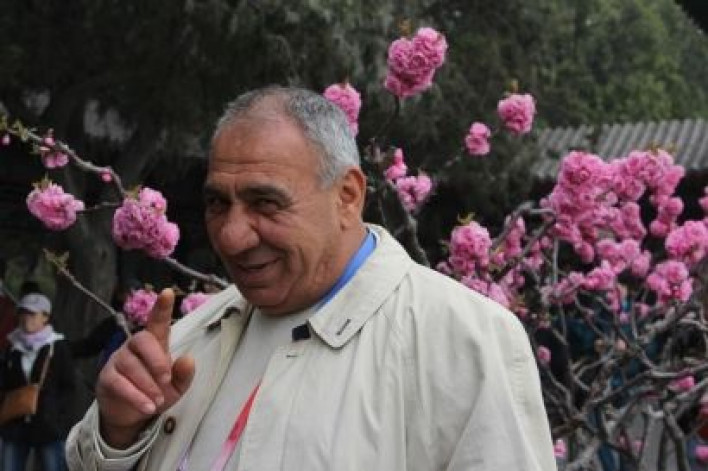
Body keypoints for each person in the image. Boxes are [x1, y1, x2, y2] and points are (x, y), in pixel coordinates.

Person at [66, 86, 555, 470]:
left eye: (265, 202)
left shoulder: (464, 342)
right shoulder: (189, 339)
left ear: (347, 196)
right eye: (217, 203)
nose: (232, 237)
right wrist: (118, 434)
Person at [0, 292, 76, 471]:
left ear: (45, 317)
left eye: (32, 314)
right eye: (23, 313)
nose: (27, 318)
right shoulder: (12, 346)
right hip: (15, 423)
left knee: (53, 466)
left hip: (48, 425)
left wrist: (57, 415)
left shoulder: (57, 346)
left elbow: (68, 385)